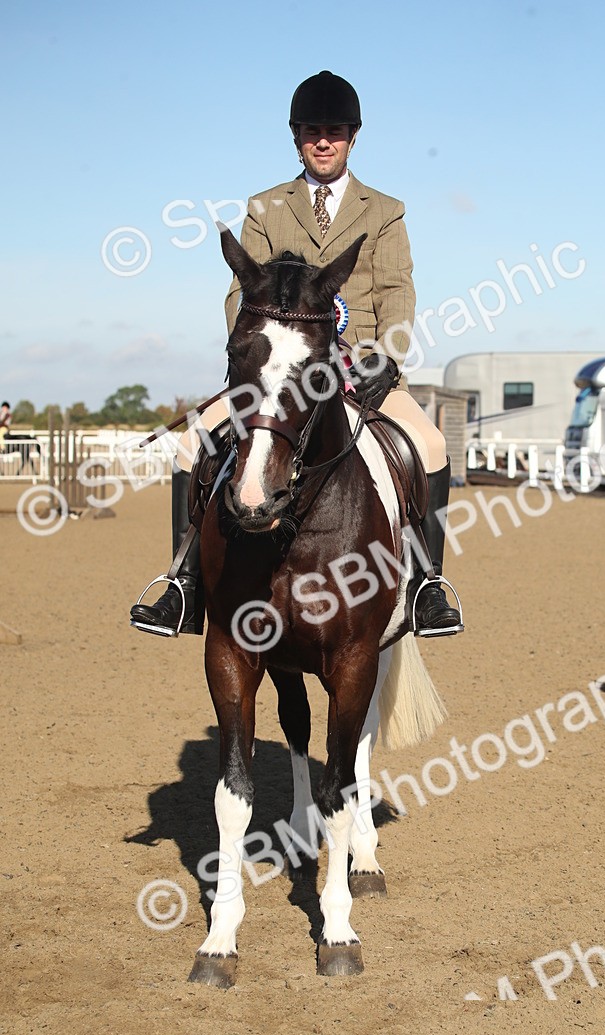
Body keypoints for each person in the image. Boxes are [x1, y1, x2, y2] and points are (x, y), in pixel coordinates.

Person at [130, 71, 463, 639]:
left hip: (360, 368)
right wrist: (257, 357)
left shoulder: (385, 211)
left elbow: (396, 292)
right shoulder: (265, 207)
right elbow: (241, 291)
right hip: (276, 372)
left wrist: (389, 356)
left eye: (334, 131)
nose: (324, 141)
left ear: (352, 138)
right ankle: (184, 583)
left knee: (428, 446)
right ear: (296, 137)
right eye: (313, 131)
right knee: (192, 444)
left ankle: (426, 584)